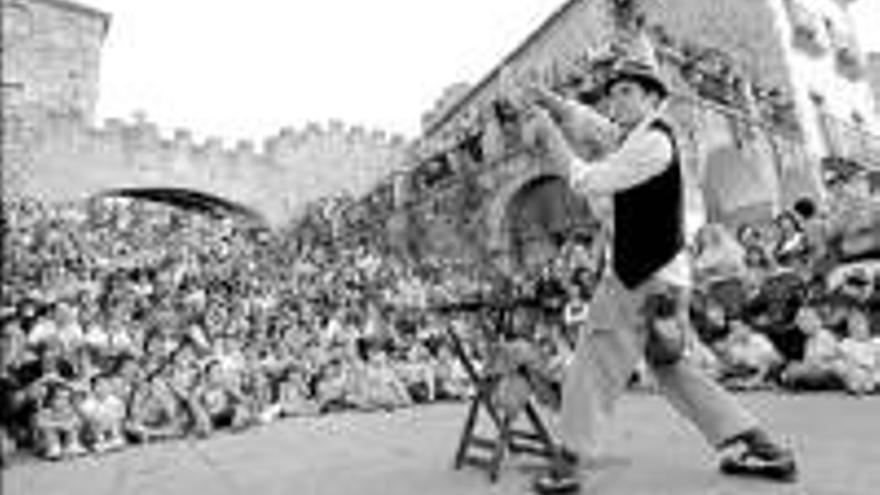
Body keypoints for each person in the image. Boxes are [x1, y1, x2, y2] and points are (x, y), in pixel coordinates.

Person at [518, 53, 798, 492]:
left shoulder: (652, 143)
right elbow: (592, 123)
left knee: (593, 365)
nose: (615, 100)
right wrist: (549, 100)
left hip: (639, 277)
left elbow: (585, 179)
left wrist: (550, 135)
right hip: (665, 279)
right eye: (612, 93)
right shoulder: (637, 136)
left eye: (626, 91)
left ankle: (568, 465)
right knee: (675, 371)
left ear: (652, 98)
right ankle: (764, 448)